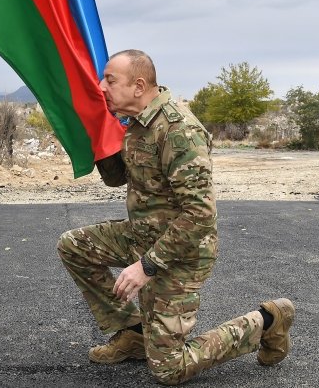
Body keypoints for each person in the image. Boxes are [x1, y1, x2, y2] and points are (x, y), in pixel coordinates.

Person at [57, 50, 294, 385]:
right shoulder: (137, 124)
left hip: (182, 254)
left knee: (169, 370)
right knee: (73, 245)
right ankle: (134, 332)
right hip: (142, 237)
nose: (101, 87)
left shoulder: (178, 130)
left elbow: (200, 213)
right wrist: (96, 128)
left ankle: (267, 321)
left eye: (109, 80)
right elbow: (117, 177)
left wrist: (146, 266)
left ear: (139, 86)